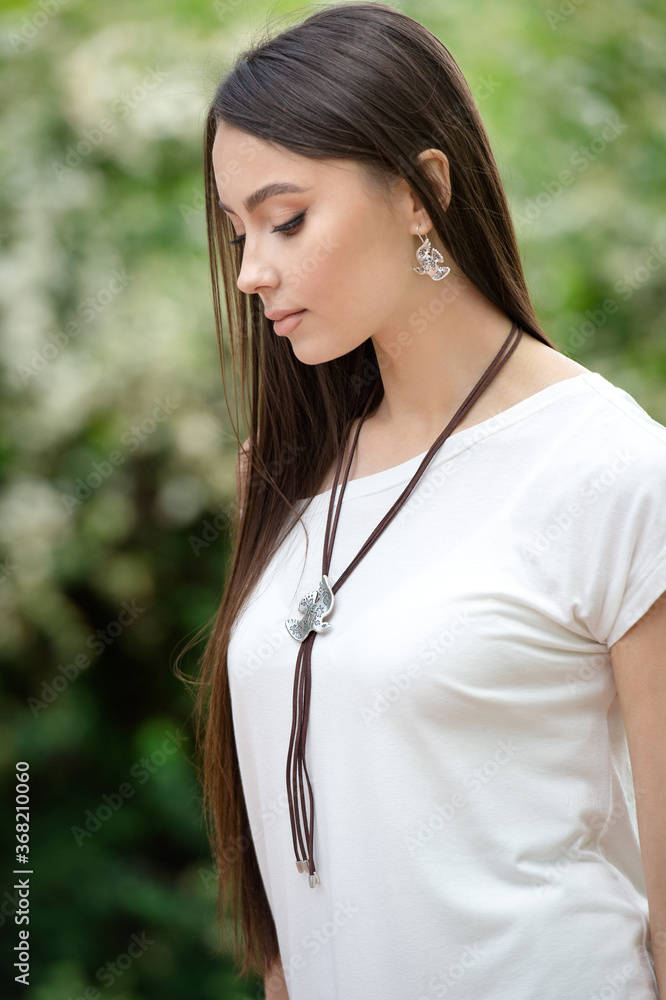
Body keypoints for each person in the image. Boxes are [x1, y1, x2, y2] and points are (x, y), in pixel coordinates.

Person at [186, 3, 666, 997]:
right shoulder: (285, 474)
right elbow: (288, 869)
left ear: (421, 191)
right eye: (238, 232)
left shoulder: (611, 467)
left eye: (287, 219)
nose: (251, 273)